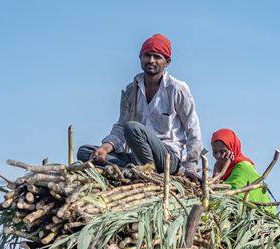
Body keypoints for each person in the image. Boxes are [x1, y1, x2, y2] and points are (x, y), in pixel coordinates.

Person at [77, 33, 202, 175]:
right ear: (140, 58)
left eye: (157, 57)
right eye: (147, 55)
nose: (151, 60)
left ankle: (149, 171)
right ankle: (135, 169)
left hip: (167, 158)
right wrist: (104, 149)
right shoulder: (131, 90)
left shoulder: (177, 89)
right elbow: (120, 127)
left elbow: (193, 128)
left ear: (167, 62)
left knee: (133, 128)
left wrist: (190, 165)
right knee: (85, 152)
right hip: (138, 155)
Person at [211, 128, 274, 211]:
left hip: (260, 215)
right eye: (215, 152)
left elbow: (229, 197)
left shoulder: (243, 167)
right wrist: (216, 172)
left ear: (233, 149)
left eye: (223, 151)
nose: (218, 156)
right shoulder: (221, 169)